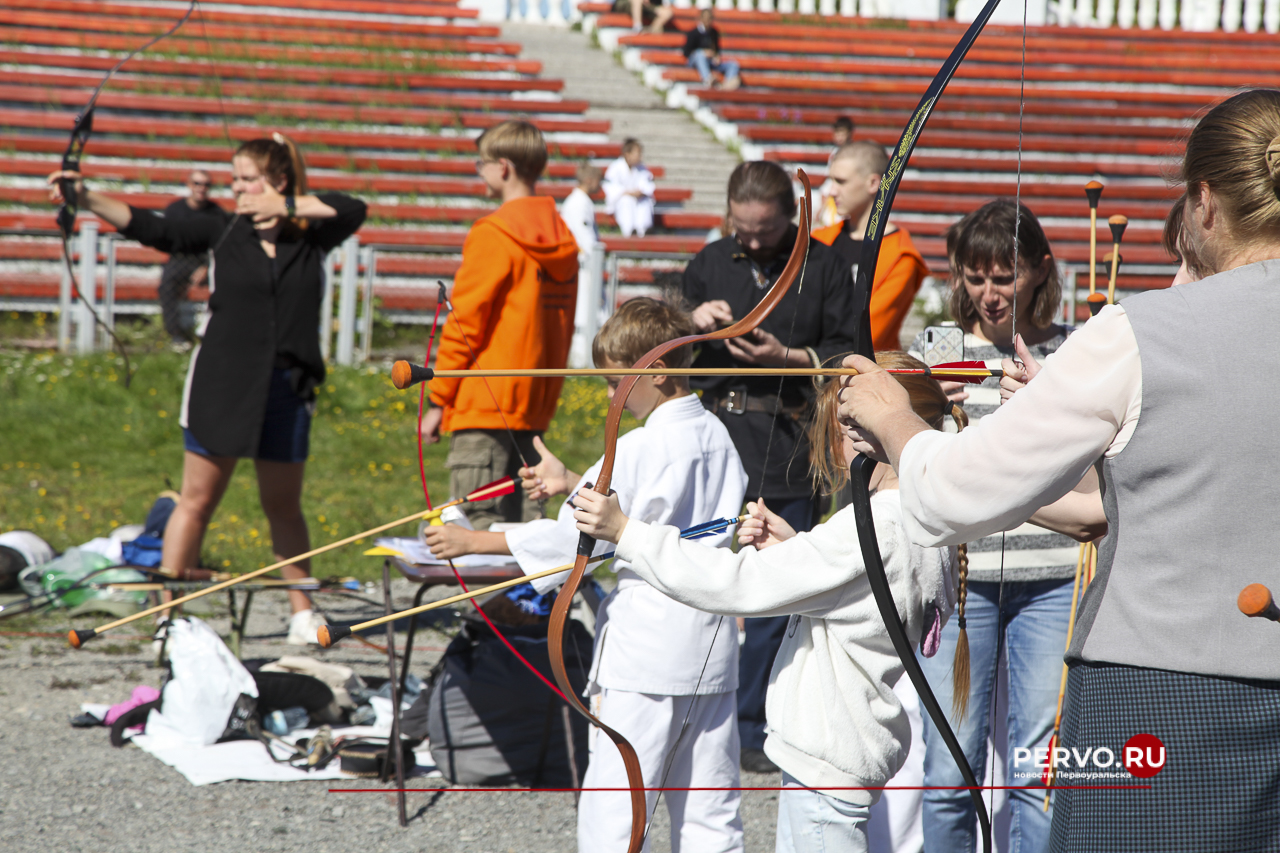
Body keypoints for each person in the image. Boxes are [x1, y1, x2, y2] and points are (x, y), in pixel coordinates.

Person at [838, 87, 1280, 853]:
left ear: (1204, 202)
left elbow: (952, 493)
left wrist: (892, 417)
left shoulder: (1137, 332)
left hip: (1158, 691)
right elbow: (1118, 500)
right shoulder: (1138, 334)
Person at [571, 351, 962, 853]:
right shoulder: (923, 517)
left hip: (828, 771)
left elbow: (735, 583)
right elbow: (860, 595)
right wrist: (793, 549)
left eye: (841, 428)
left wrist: (626, 533)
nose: (837, 445)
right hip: (841, 764)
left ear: (864, 431)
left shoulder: (873, 527)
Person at [423, 298, 749, 853]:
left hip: (647, 648)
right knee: (709, 808)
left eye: (617, 383)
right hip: (711, 641)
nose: (610, 396)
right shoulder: (717, 433)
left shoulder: (639, 446)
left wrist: (473, 541)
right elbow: (654, 515)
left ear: (657, 373)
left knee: (617, 805)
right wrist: (572, 479)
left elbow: (578, 541)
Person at [49, 134, 367, 645]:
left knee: (284, 506)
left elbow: (354, 208)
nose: (237, 188)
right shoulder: (223, 229)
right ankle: (169, 618)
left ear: (278, 181)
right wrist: (85, 197)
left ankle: (303, 614)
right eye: (234, 179)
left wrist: (284, 207)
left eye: (248, 179)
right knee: (195, 502)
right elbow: (156, 228)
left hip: (287, 388)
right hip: (223, 387)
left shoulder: (309, 237)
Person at [896, 199, 1104, 852]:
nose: (988, 293)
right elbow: (900, 458)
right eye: (975, 276)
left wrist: (1045, 405)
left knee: (1038, 769)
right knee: (949, 769)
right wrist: (926, 410)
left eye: (1005, 276)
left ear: (1039, 270)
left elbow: (1100, 468)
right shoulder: (939, 349)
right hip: (964, 581)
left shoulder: (1073, 350)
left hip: (1054, 579)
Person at [681, 159, 859, 773]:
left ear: (792, 215)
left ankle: (755, 726)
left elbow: (848, 351)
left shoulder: (826, 266)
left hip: (789, 443)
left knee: (773, 591)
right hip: (716, 438)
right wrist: (692, 323)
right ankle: (693, 716)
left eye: (765, 230)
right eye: (742, 229)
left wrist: (790, 355)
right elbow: (667, 347)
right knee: (699, 578)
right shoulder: (709, 261)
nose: (753, 242)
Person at [419, 120, 579, 530]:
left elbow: (465, 325)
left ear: (503, 167)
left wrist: (438, 400)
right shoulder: (563, 238)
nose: (480, 171)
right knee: (526, 538)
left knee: (477, 532)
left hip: (484, 406)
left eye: (482, 163)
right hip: (535, 408)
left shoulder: (494, 233)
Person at [813, 141, 928, 351]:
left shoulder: (901, 257)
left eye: (841, 182)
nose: (831, 191)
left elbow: (867, 335)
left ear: (873, 183)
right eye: (831, 181)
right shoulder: (818, 239)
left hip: (866, 367)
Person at [158, 170, 225, 347]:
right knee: (166, 285)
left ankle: (218, 332)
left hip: (207, 261)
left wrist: (206, 267)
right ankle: (176, 335)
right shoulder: (174, 210)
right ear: (189, 185)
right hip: (180, 259)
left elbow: (220, 246)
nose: (201, 188)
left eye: (206, 184)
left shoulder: (217, 213)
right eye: (197, 183)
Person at [603, 139, 656, 239]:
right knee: (626, 201)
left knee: (644, 201)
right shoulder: (615, 167)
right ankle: (629, 232)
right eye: (637, 154)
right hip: (622, 200)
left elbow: (647, 185)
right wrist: (628, 192)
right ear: (627, 154)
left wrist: (640, 192)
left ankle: (644, 231)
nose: (640, 157)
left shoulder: (642, 168)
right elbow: (610, 187)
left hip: (637, 200)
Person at [682, 7, 741, 91]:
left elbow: (717, 50)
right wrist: (703, 52)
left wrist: (716, 57)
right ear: (700, 18)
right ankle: (708, 79)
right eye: (705, 18)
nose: (707, 20)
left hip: (710, 62)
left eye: (709, 18)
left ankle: (726, 85)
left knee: (733, 64)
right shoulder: (693, 33)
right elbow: (686, 52)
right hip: (696, 61)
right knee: (699, 55)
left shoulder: (714, 32)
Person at [815, 117, 856, 230]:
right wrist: (821, 206)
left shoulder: (854, 153)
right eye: (837, 134)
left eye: (842, 133)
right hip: (832, 198)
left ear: (849, 133)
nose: (839, 137)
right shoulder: (834, 153)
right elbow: (830, 178)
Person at [561, 163, 602, 253]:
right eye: (598, 180)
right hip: (581, 257)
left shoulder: (580, 200)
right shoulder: (579, 203)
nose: (600, 184)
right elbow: (585, 237)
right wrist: (594, 256)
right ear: (589, 181)